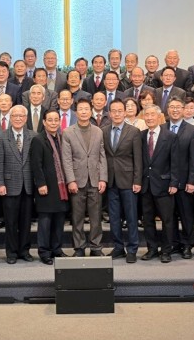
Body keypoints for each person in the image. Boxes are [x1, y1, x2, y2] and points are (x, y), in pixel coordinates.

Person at [61, 99, 109, 257]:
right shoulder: (68, 132)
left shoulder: (98, 131)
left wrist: (103, 178)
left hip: (95, 180)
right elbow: (66, 159)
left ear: (91, 111)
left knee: (96, 217)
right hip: (77, 180)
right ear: (76, 112)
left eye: (86, 109)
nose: (83, 112)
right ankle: (79, 247)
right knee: (77, 217)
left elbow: (102, 156)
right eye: (80, 109)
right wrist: (71, 180)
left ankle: (96, 247)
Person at [0, 105, 36, 264]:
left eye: (21, 116)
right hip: (9, 185)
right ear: (10, 118)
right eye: (15, 116)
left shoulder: (34, 136)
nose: (18, 118)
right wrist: (0, 183)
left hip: (28, 186)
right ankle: (11, 252)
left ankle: (24, 251)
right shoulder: (1, 137)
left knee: (26, 222)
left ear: (26, 118)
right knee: (10, 222)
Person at [103, 98, 144, 263]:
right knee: (114, 217)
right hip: (111, 180)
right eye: (114, 111)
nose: (117, 114)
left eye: (120, 111)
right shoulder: (104, 131)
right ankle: (118, 247)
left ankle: (132, 248)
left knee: (131, 216)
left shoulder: (133, 132)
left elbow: (138, 159)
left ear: (125, 112)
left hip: (128, 180)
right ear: (109, 113)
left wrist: (137, 180)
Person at [139, 105, 179, 263]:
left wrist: (174, 182)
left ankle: (166, 250)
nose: (149, 118)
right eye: (146, 115)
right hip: (146, 184)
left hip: (164, 184)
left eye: (152, 115)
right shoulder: (141, 135)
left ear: (159, 117)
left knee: (167, 220)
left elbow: (175, 162)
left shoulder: (170, 136)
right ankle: (152, 249)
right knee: (148, 220)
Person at [31, 110, 71, 265]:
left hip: (60, 187)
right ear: (44, 122)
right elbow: (36, 164)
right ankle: (44, 252)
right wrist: (41, 184)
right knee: (45, 222)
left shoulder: (61, 138)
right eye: (50, 120)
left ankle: (56, 249)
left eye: (56, 120)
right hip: (46, 187)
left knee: (59, 221)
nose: (53, 123)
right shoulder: (38, 139)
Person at [165, 97, 194, 259]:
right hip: (166, 181)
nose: (175, 110)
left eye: (178, 107)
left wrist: (192, 181)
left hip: (185, 181)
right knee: (169, 215)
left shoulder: (192, 130)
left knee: (186, 215)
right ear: (167, 110)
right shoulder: (162, 127)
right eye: (172, 107)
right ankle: (174, 243)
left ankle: (187, 245)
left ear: (183, 109)